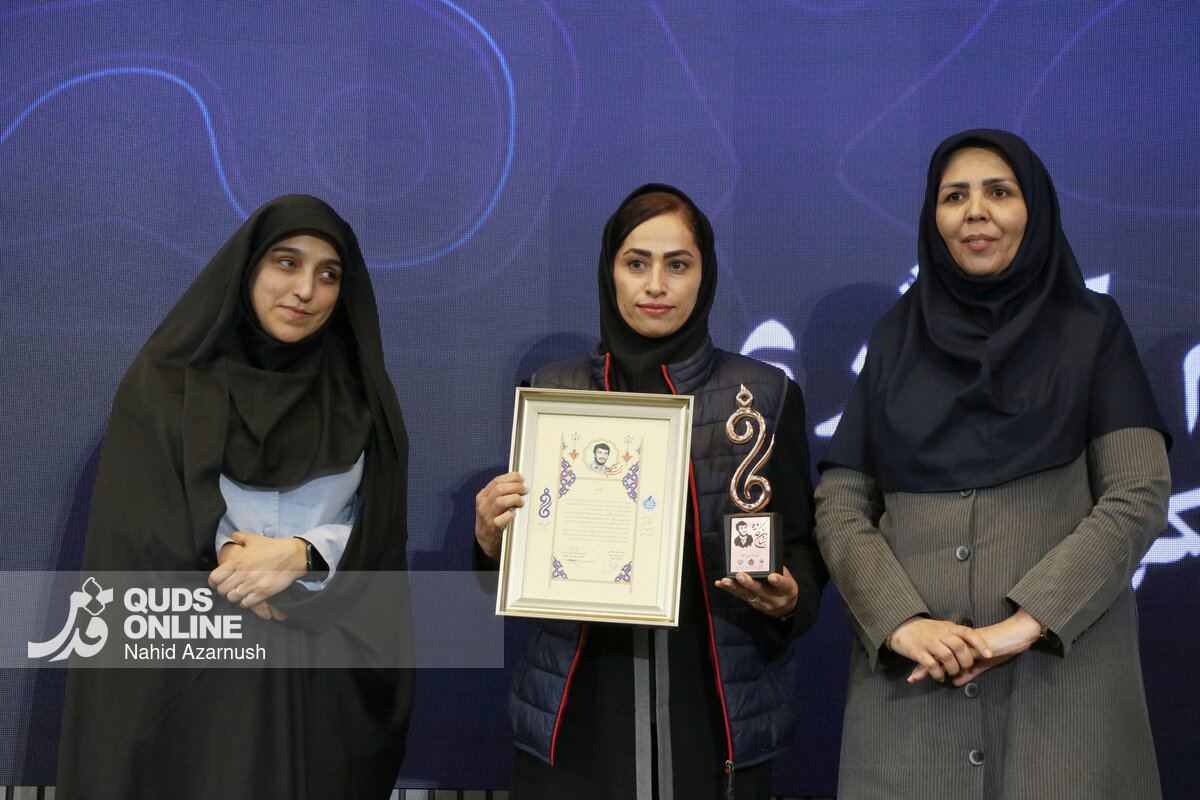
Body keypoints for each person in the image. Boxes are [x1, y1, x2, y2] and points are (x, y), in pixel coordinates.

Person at [814, 129, 1172, 799]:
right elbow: (841, 504)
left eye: (999, 192)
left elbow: (1137, 491)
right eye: (955, 196)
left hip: (1062, 695)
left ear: (1034, 208)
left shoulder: (1091, 328)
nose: (975, 212)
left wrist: (1023, 626)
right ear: (934, 218)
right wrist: (900, 622)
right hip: (912, 703)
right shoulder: (894, 336)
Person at [475, 184, 827, 799]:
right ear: (609, 271)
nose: (656, 285)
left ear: (704, 275)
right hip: (577, 713)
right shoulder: (552, 395)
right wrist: (488, 539)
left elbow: (800, 546)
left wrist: (790, 597)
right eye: (636, 263)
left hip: (711, 716)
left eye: (678, 264)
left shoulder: (764, 396)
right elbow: (512, 571)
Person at [56, 195, 413, 799]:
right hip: (192, 673)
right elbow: (137, 529)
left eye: (329, 274)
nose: (306, 289)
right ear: (248, 267)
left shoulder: (363, 401)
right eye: (286, 262)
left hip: (317, 677)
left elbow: (379, 532)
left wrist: (304, 555)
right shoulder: (165, 387)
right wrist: (234, 563)